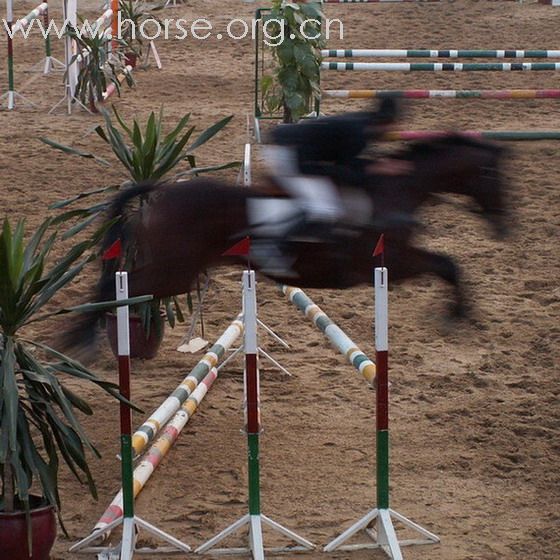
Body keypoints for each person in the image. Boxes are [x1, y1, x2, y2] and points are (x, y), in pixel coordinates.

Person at [253, 98, 409, 277]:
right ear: (387, 121)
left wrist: (377, 165)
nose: (392, 131)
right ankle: (269, 246)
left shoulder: (363, 124)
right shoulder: (359, 132)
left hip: (294, 149)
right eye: (393, 126)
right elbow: (347, 170)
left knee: (326, 200)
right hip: (286, 153)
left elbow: (347, 165)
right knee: (322, 207)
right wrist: (378, 167)